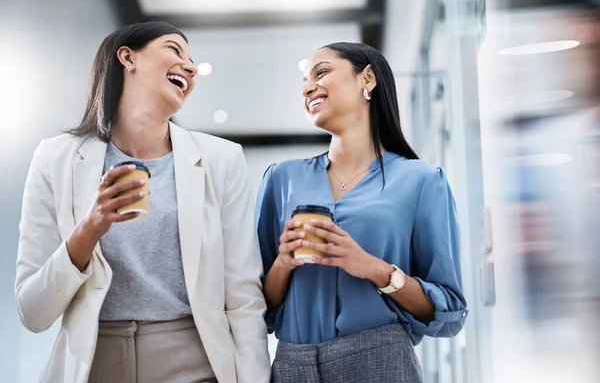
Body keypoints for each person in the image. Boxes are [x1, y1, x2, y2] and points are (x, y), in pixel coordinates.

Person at [15, 21, 270, 383]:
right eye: (174, 50)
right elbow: (32, 311)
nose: (191, 67)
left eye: (193, 61)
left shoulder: (221, 159)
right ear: (127, 57)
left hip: (195, 362)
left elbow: (243, 296)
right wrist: (89, 229)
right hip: (93, 364)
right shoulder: (54, 159)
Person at [256, 42, 468, 382]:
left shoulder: (421, 181)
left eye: (321, 72)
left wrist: (375, 269)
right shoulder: (281, 179)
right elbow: (255, 307)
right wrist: (283, 262)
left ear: (366, 79)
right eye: (304, 80)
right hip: (292, 364)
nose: (307, 86)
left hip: (380, 361)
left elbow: (449, 309)